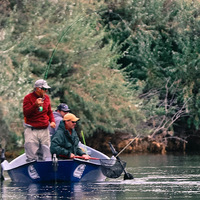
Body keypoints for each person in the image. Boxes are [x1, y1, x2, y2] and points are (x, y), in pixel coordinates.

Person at [23, 79, 56, 162]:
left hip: (45, 131)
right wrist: (35, 105)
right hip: (31, 130)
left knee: (46, 156)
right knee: (31, 156)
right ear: (38, 89)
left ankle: (45, 173)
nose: (46, 91)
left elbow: (49, 112)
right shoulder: (28, 98)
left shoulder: (47, 98)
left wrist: (52, 121)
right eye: (44, 89)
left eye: (47, 89)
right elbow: (26, 113)